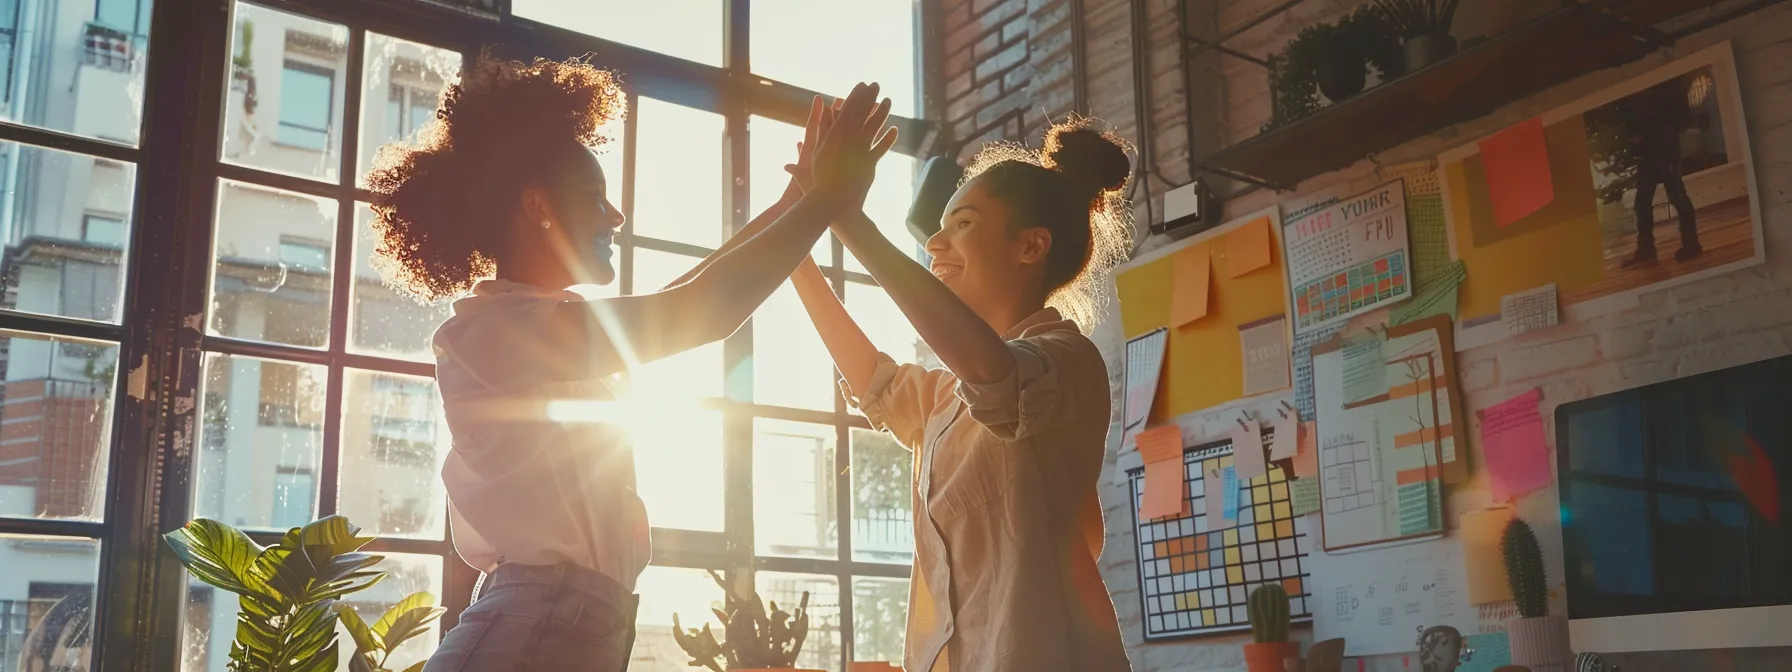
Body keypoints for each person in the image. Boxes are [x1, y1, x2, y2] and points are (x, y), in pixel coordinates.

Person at [363, 52, 896, 672]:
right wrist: (822, 201)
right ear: (538, 207)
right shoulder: (490, 335)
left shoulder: (535, 324)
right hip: (531, 633)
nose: (616, 216)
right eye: (594, 197)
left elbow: (687, 295)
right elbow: (702, 309)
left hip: (561, 631)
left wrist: (797, 199)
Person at [783, 116, 1134, 671]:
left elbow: (991, 372)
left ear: (1031, 247)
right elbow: (876, 378)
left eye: (962, 223)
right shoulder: (948, 396)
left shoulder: (1067, 362)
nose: (935, 242)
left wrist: (849, 220)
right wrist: (796, 240)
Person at [1623, 76, 1699, 266]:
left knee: (1674, 196)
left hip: (1662, 146)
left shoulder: (1663, 89)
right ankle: (1651, 248)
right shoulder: (1658, 89)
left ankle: (1686, 244)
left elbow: (1678, 114)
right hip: (1654, 147)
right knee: (1648, 199)